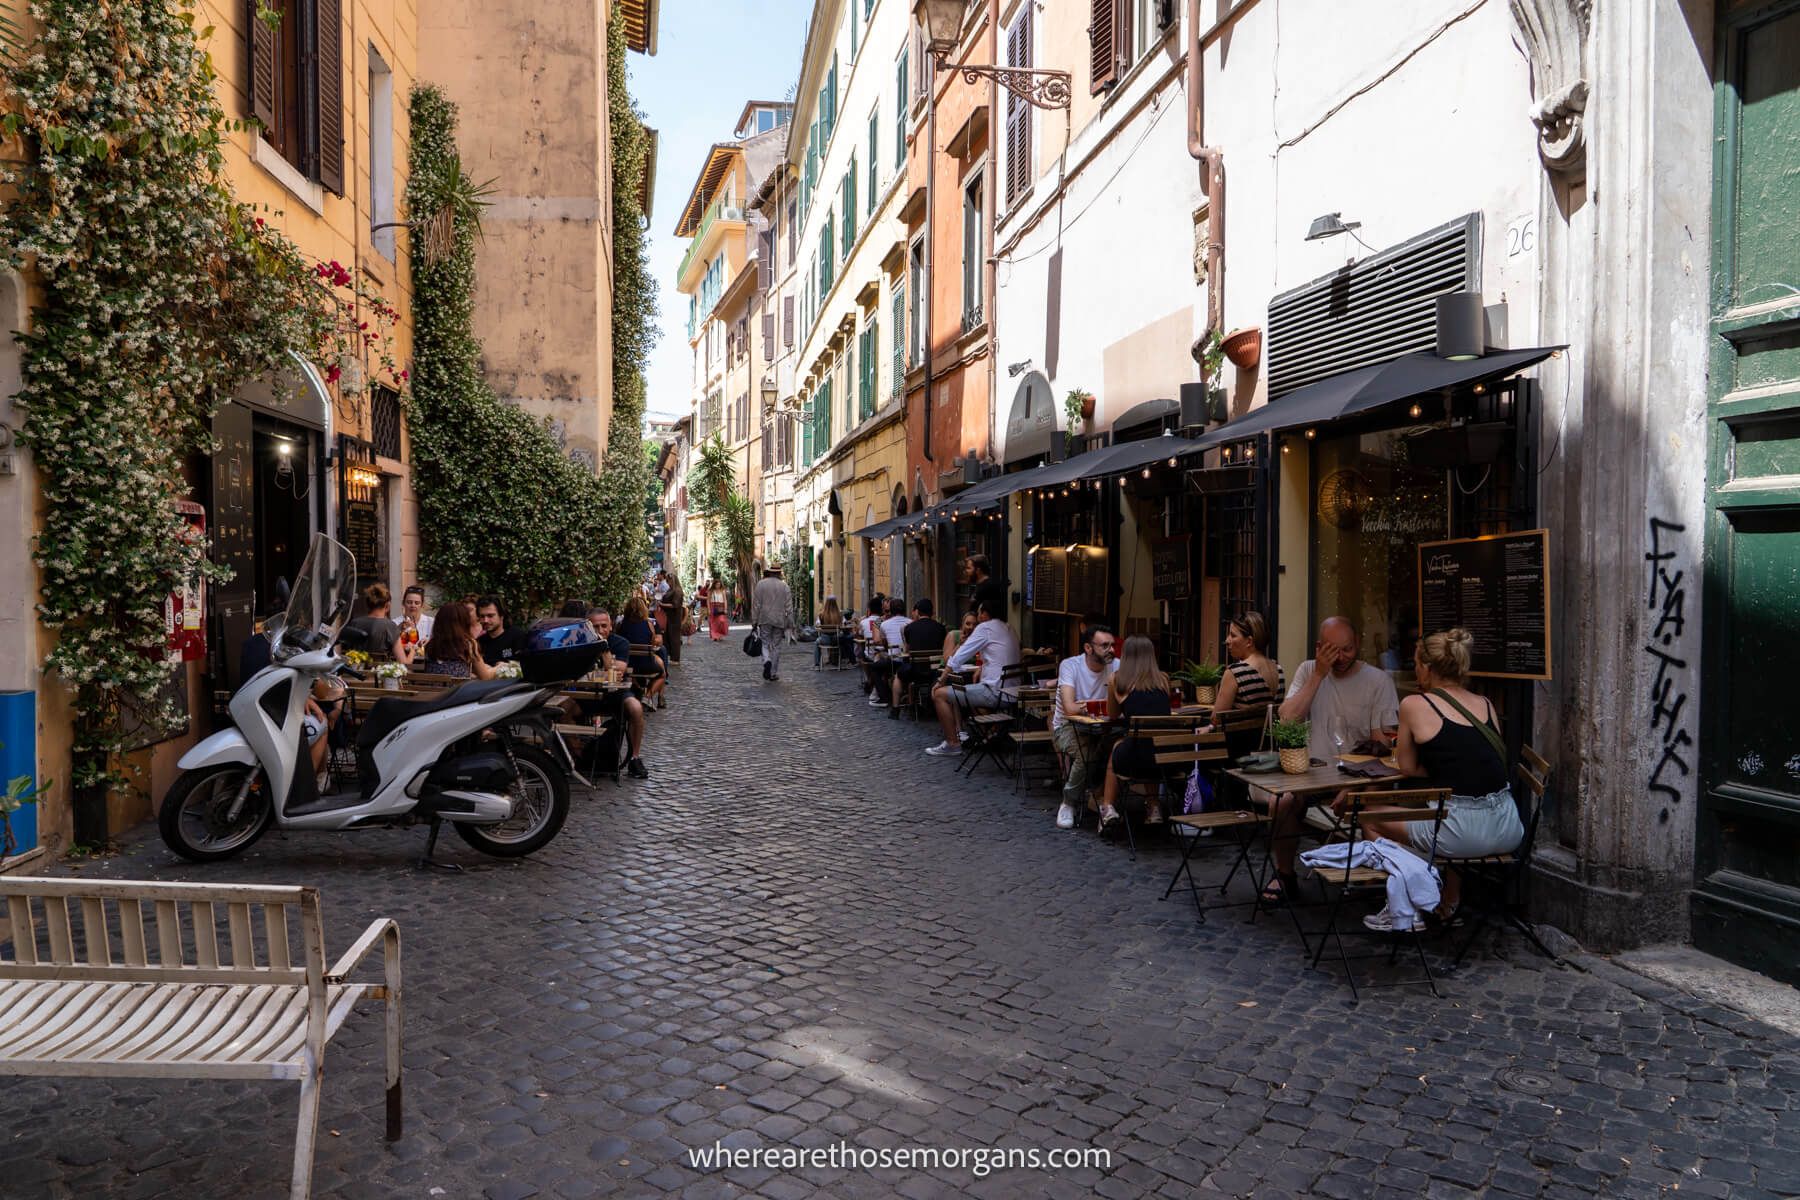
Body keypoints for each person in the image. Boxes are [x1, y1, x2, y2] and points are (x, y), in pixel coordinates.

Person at [1355, 628, 1522, 928]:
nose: (1415, 670)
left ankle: (1404, 906)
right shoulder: (1485, 703)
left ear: (1428, 669)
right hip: (1508, 825)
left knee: (1370, 817)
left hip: (1463, 833)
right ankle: (1449, 903)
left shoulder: (1415, 705)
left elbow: (1406, 767)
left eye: (1417, 664)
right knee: (1442, 809)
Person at [1261, 617, 1400, 907]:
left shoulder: (1377, 680)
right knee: (1281, 803)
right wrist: (1318, 676)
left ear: (1358, 644)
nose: (1341, 657)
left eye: (1347, 649)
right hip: (1311, 772)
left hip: (1360, 776)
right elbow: (1286, 719)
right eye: (1332, 651)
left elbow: (1382, 744)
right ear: (1319, 648)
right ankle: (1285, 875)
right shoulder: (1308, 670)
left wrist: (1353, 786)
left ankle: (1376, 879)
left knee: (1370, 800)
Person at [926, 596, 1021, 756]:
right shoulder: (1009, 627)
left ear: (984, 614)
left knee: (939, 694)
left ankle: (952, 743)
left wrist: (940, 680)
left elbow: (959, 657)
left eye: (978, 614)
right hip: (1013, 692)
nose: (977, 618)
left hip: (996, 692)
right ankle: (989, 735)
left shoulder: (985, 628)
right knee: (971, 692)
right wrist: (982, 667)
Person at [1097, 636, 1174, 831]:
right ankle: (1154, 806)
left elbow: (1113, 714)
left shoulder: (1117, 680)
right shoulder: (1164, 680)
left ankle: (1107, 807)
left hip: (1134, 758)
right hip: (1166, 758)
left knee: (1117, 746)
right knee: (1149, 742)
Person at [1050, 623, 1119, 829]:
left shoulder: (1117, 665)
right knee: (1087, 752)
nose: (1111, 650)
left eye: (1112, 645)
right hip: (1066, 727)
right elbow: (1070, 708)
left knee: (1119, 749)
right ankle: (1068, 803)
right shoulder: (1070, 665)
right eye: (1104, 645)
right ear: (1088, 648)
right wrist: (1102, 707)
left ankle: (1100, 797)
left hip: (1104, 728)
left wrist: (1087, 706)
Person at [586, 608, 651, 778]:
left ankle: (635, 758)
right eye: (595, 627)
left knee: (636, 708)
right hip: (586, 692)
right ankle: (578, 754)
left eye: (604, 626)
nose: (600, 631)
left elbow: (617, 672)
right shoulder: (581, 643)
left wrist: (604, 649)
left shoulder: (620, 643)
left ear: (611, 626)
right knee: (563, 708)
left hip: (616, 692)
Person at [1212, 611, 1285, 712]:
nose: (1227, 641)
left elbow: (1216, 719)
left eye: (1233, 635)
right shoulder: (1278, 669)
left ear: (1249, 641)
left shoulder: (1235, 673)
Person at [889, 598, 947, 717]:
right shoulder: (941, 628)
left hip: (916, 671)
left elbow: (907, 650)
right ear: (932, 612)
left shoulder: (909, 628)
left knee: (898, 675)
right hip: (936, 672)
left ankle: (895, 709)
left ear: (918, 612)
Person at [419, 602, 496, 680]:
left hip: (431, 691)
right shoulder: (468, 644)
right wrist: (500, 667)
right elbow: (485, 676)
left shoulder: (431, 645)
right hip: (457, 692)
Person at [343, 584, 412, 664]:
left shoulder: (354, 623)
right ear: (387, 605)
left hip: (355, 671)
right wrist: (412, 651)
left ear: (368, 604)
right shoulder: (390, 626)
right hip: (380, 673)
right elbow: (404, 662)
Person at [619, 594, 668, 707]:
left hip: (627, 663)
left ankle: (641, 691)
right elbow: (656, 642)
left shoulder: (621, 625)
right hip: (645, 663)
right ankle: (648, 696)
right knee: (662, 673)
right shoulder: (649, 624)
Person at [751, 563, 796, 682]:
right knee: (776, 646)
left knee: (765, 643)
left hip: (764, 618)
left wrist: (754, 621)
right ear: (779, 573)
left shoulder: (760, 585)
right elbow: (789, 608)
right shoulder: (784, 586)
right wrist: (791, 624)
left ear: (770, 572)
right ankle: (773, 673)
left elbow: (756, 605)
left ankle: (766, 660)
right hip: (779, 619)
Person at [475, 596, 530, 667]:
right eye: (482, 616)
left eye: (490, 616)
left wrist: (505, 666)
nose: (485, 620)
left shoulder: (517, 636)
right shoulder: (479, 642)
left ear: (501, 615)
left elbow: (526, 665)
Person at [967, 554, 1006, 626]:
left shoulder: (989, 587)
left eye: (969, 568)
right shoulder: (979, 585)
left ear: (978, 570)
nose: (967, 571)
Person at [396, 585, 433, 657]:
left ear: (422, 605)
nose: (413, 605)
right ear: (403, 603)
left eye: (417, 603)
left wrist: (430, 643)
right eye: (409, 602)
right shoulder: (395, 623)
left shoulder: (431, 622)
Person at [661, 572, 685, 666]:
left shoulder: (677, 591)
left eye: (669, 581)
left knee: (674, 638)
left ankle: (675, 658)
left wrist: (662, 604)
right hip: (669, 617)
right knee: (668, 637)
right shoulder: (671, 590)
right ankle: (670, 656)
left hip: (675, 617)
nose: (668, 583)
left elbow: (675, 605)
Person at [815, 595, 845, 668]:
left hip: (825, 641)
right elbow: (844, 625)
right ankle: (838, 660)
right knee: (844, 639)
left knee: (817, 642)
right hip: (836, 640)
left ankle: (817, 663)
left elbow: (817, 625)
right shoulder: (840, 614)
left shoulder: (821, 615)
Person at [707, 578, 730, 642]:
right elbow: (708, 600)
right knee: (713, 622)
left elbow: (725, 600)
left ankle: (720, 634)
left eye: (719, 584)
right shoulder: (710, 591)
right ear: (714, 584)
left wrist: (725, 608)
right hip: (713, 607)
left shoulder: (722, 590)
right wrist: (709, 609)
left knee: (721, 621)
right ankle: (715, 636)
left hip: (721, 607)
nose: (718, 585)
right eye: (717, 584)